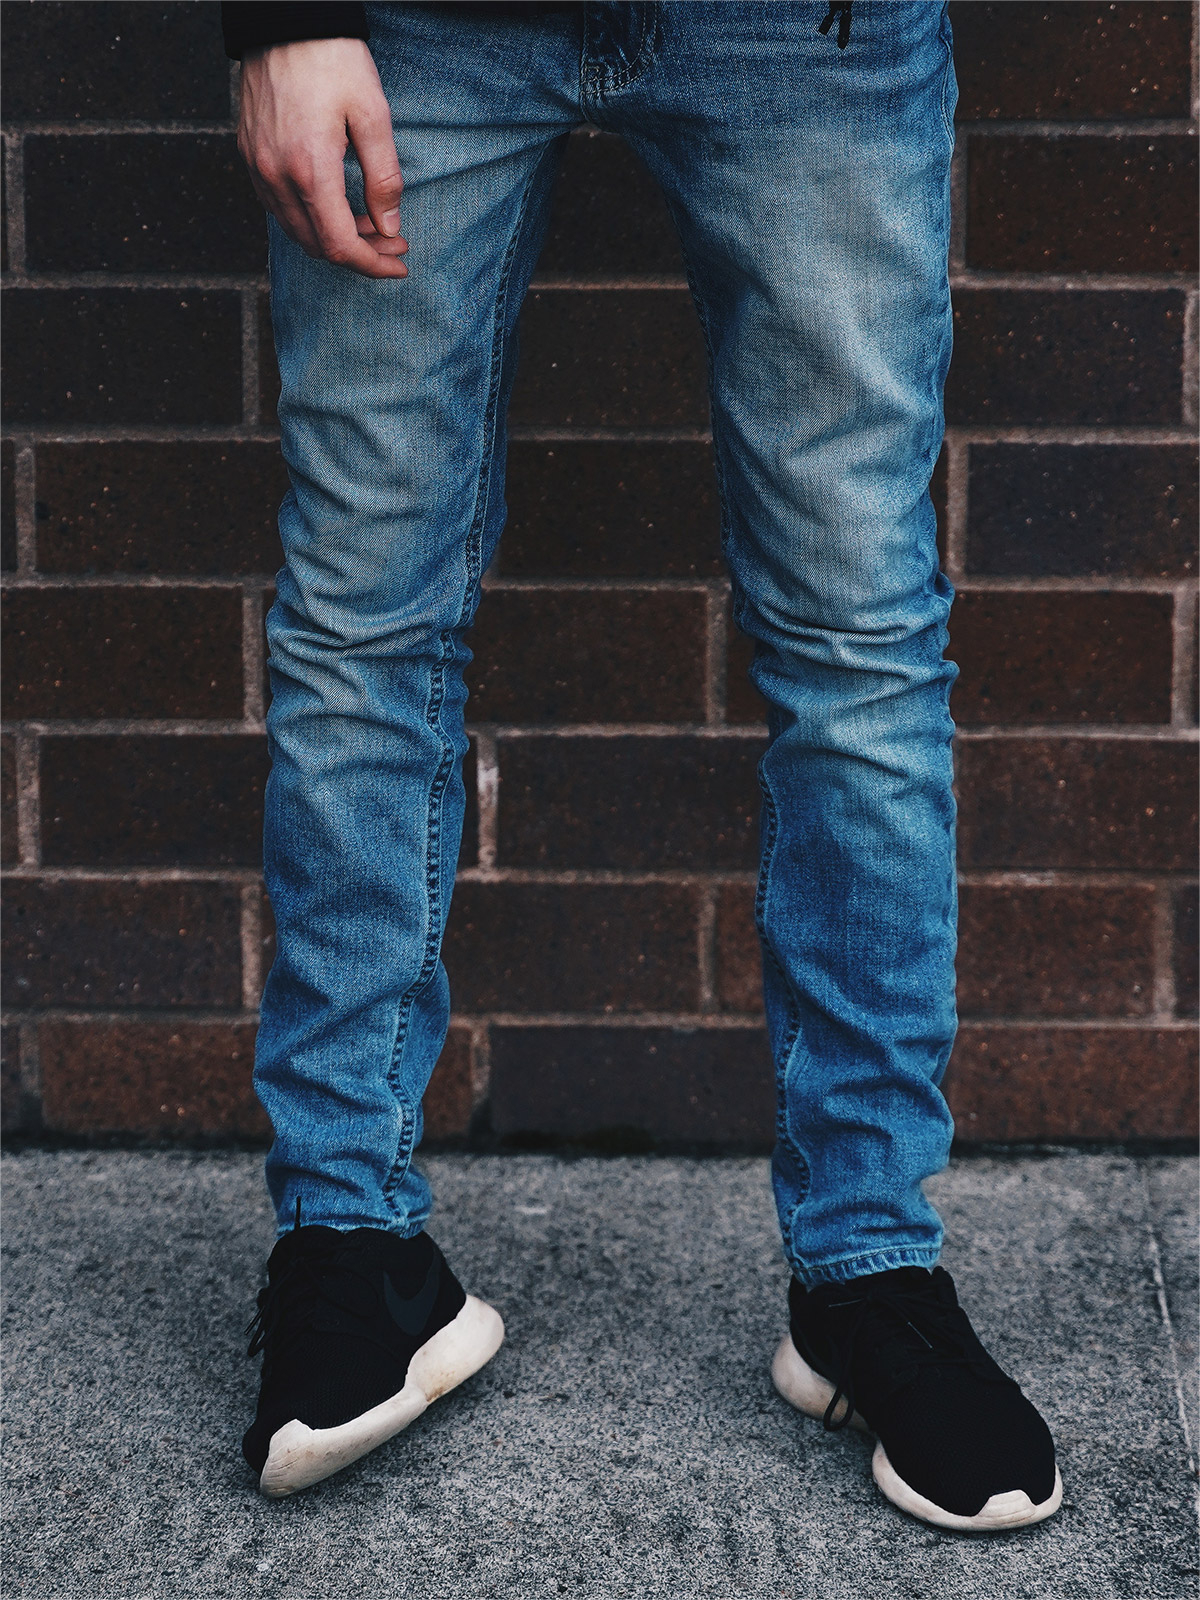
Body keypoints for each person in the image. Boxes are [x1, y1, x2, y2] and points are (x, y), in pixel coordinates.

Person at [224, 0, 1062, 1529]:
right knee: (361, 627)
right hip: (413, 25)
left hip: (810, 27)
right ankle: (350, 1243)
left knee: (859, 643)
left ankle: (869, 1270)